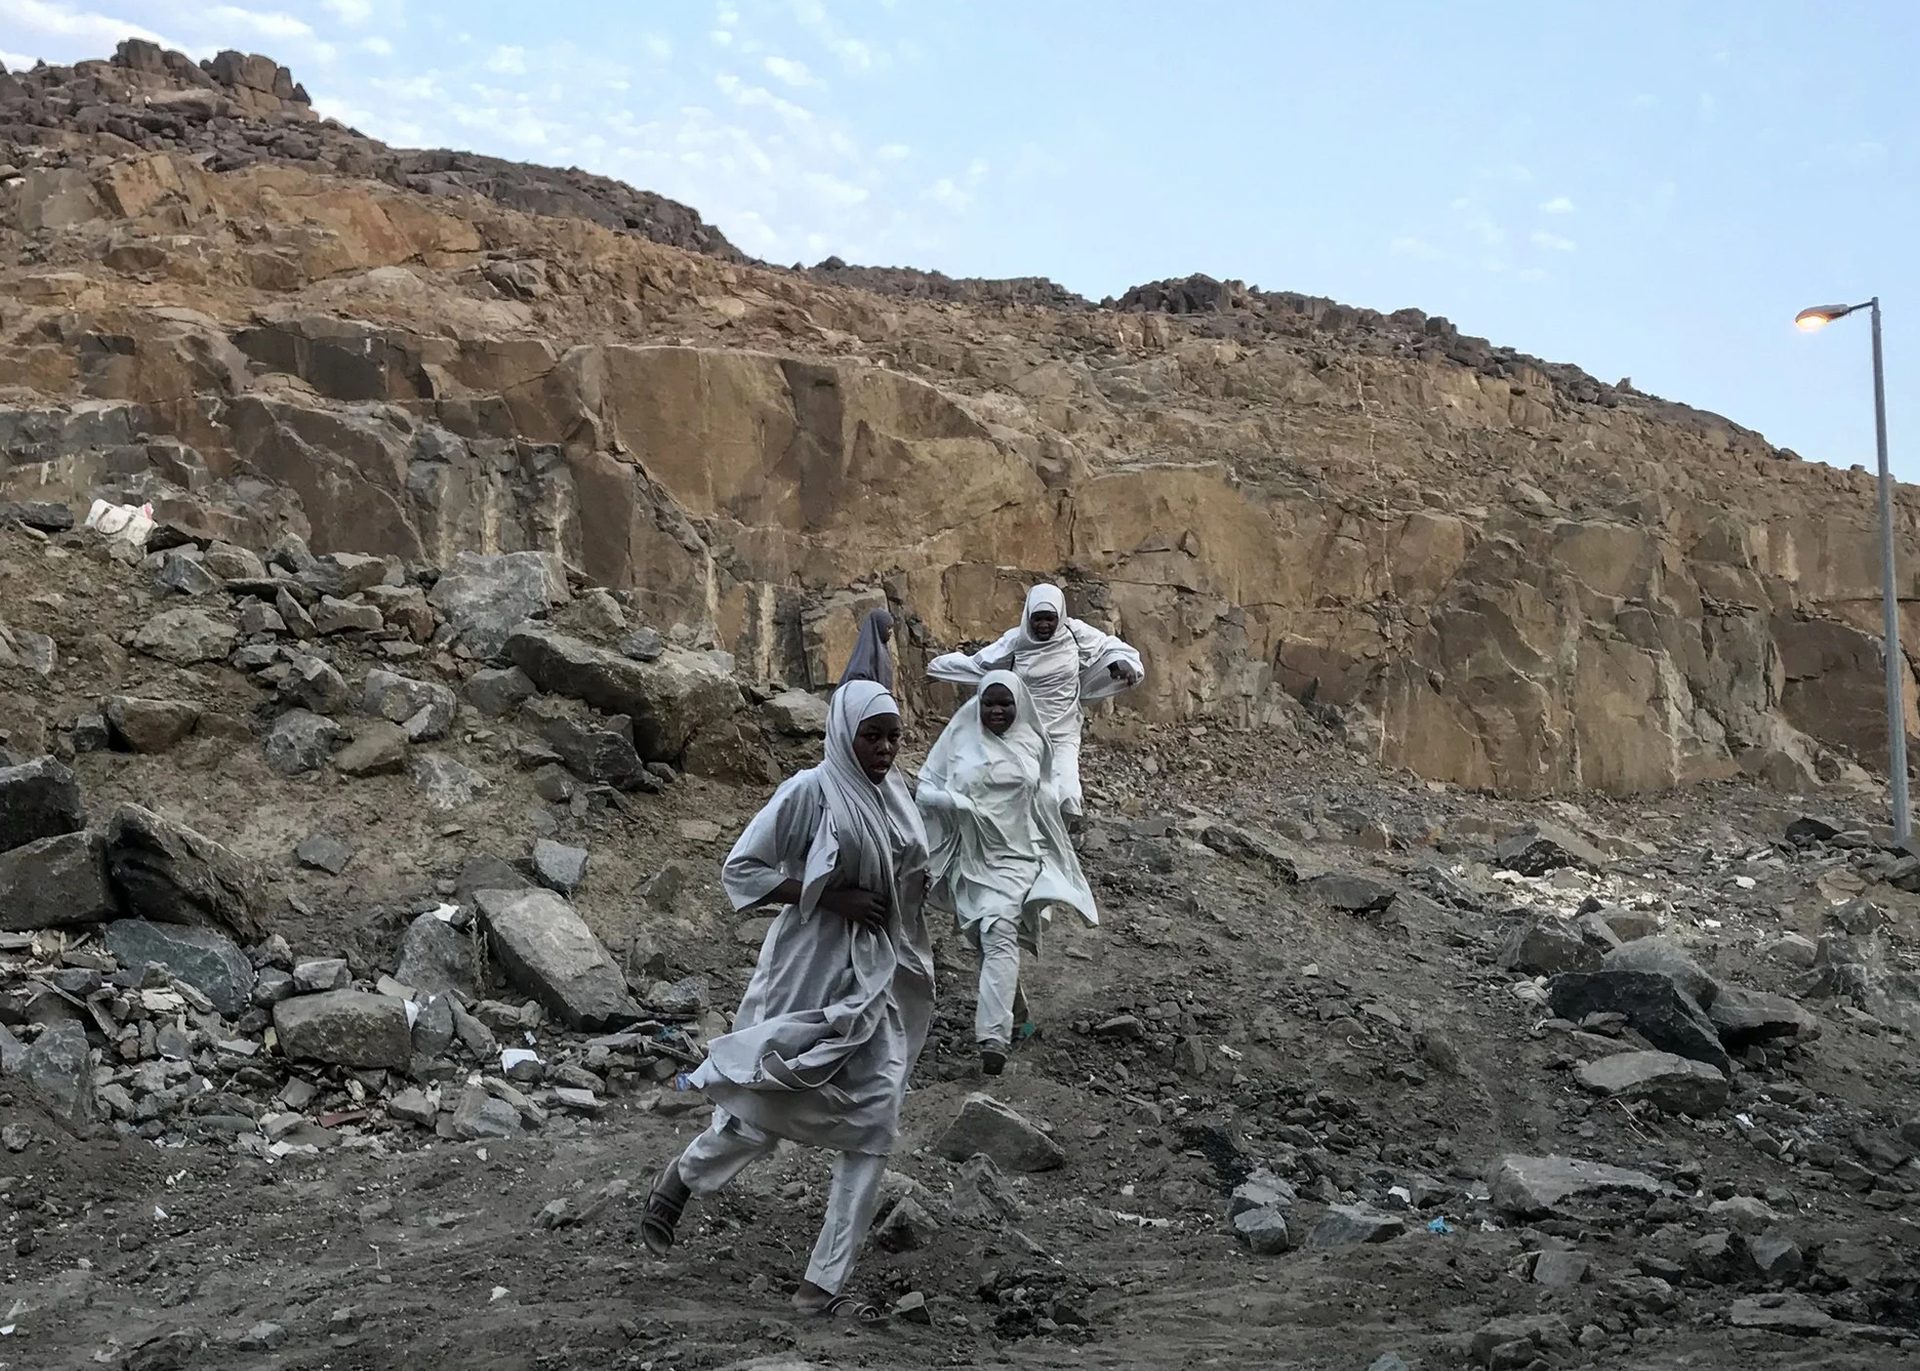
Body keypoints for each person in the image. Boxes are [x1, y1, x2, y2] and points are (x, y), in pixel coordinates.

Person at [639, 680, 931, 1325]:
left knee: (875, 1122)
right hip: (807, 965)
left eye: (892, 738)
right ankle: (680, 1181)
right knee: (762, 1105)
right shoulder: (810, 791)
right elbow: (741, 868)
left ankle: (824, 1281)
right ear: (843, 733)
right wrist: (829, 896)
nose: (883, 749)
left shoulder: (898, 796)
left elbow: (911, 866)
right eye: (871, 735)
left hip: (873, 974)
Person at [917, 671, 1097, 1077]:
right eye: (989, 704)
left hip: (1018, 858)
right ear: (977, 704)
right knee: (984, 942)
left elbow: (1047, 793)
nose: (997, 711)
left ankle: (992, 1039)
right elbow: (924, 790)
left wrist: (1062, 816)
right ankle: (1017, 1017)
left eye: (1005, 704)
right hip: (971, 859)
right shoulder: (959, 739)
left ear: (1019, 705)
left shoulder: (1034, 742)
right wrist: (954, 803)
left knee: (999, 931)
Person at [927, 583, 1144, 821]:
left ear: (1059, 616)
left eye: (1049, 619)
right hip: (1025, 729)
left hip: (1064, 730)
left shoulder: (1075, 633)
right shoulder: (1017, 640)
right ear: (1028, 617)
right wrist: (938, 668)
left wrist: (1117, 662)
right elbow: (979, 664)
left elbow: (1107, 647)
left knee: (1067, 793)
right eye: (1037, 619)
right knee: (1021, 786)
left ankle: (1065, 846)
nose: (1043, 625)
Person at [838, 607, 895, 689]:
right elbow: (857, 674)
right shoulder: (867, 649)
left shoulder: (883, 649)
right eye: (888, 627)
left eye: (891, 628)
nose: (890, 631)